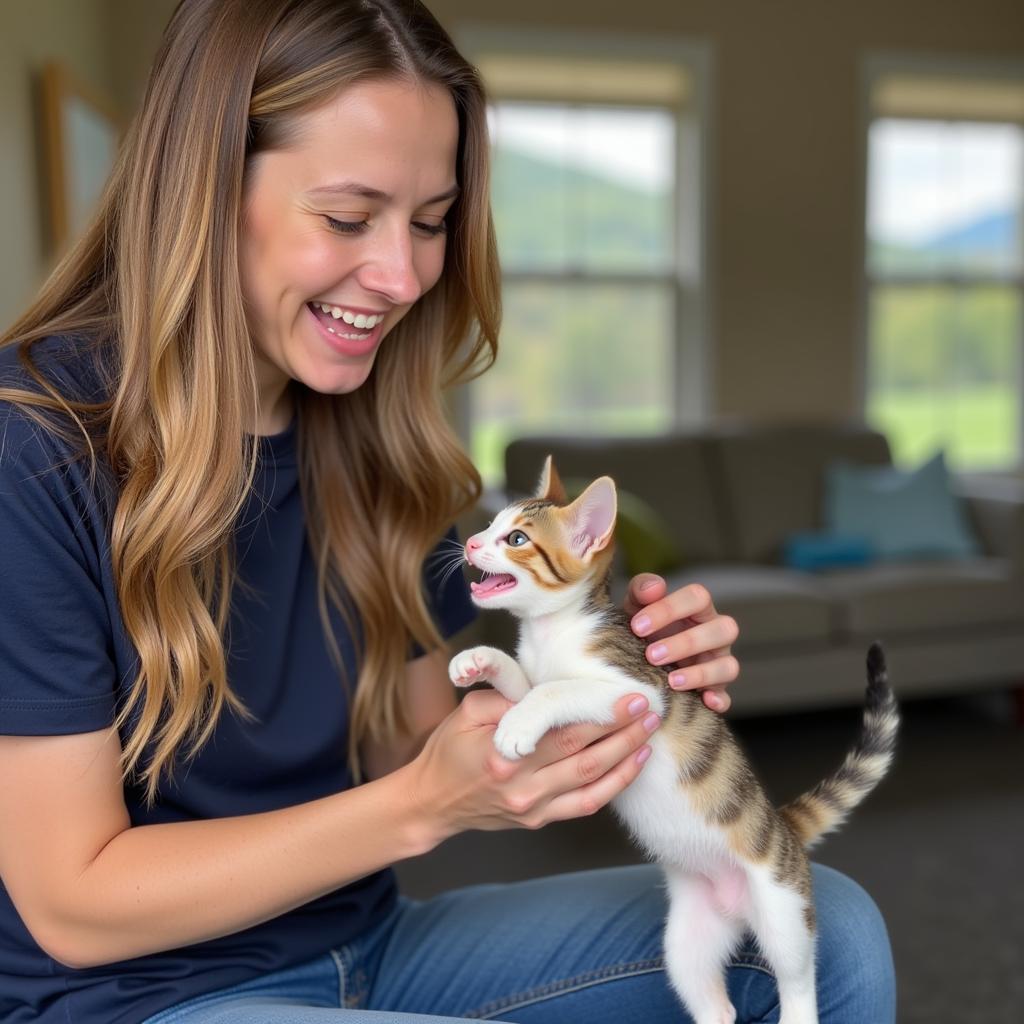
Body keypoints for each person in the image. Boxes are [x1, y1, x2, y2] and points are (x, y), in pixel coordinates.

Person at [0, 1, 895, 1022]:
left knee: (842, 933)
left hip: (366, 941)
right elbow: (73, 903)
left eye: (430, 222)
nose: (403, 276)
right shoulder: (31, 449)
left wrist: (609, 689)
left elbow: (425, 744)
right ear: (202, 192)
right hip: (133, 996)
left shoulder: (376, 437)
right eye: (348, 217)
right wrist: (423, 805)